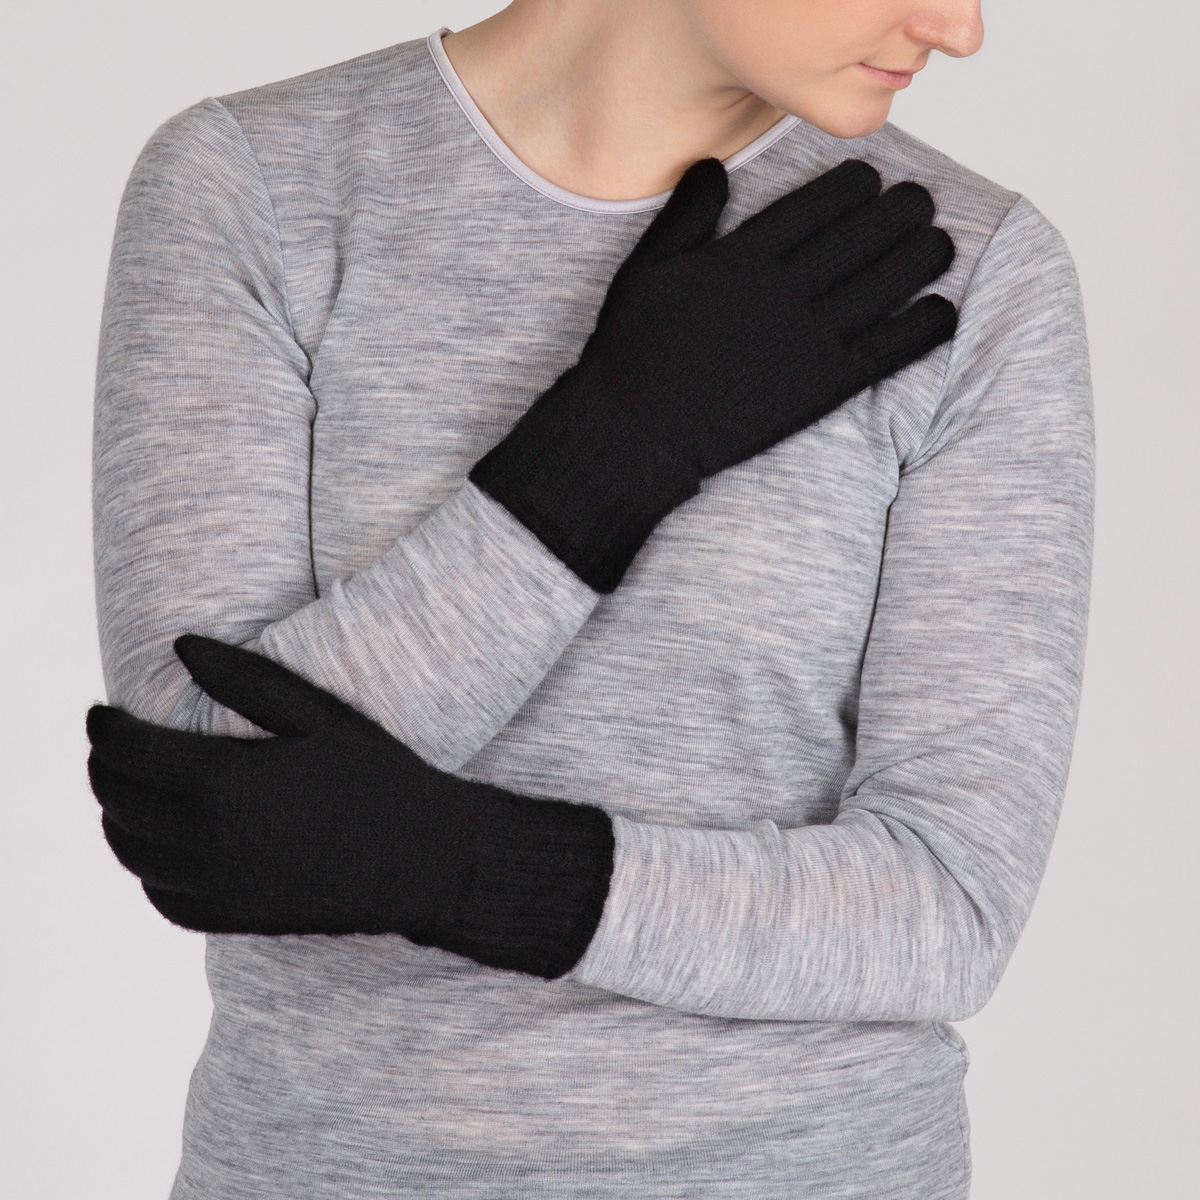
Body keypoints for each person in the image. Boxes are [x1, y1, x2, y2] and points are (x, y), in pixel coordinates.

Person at [85, 0, 1094, 1196]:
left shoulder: (958, 268)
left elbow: (949, 906)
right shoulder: (259, 187)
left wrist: (472, 868)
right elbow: (205, 805)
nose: (959, 27)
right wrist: (612, 450)